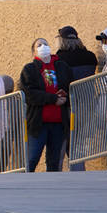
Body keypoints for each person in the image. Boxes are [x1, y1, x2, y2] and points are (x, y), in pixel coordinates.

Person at [19, 37, 71, 172]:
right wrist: (52, 98)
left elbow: (72, 87)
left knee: (54, 161)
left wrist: (65, 97)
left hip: (59, 123)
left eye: (45, 44)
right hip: (38, 123)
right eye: (39, 45)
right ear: (34, 52)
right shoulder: (29, 69)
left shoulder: (61, 66)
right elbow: (29, 94)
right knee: (32, 159)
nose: (43, 47)